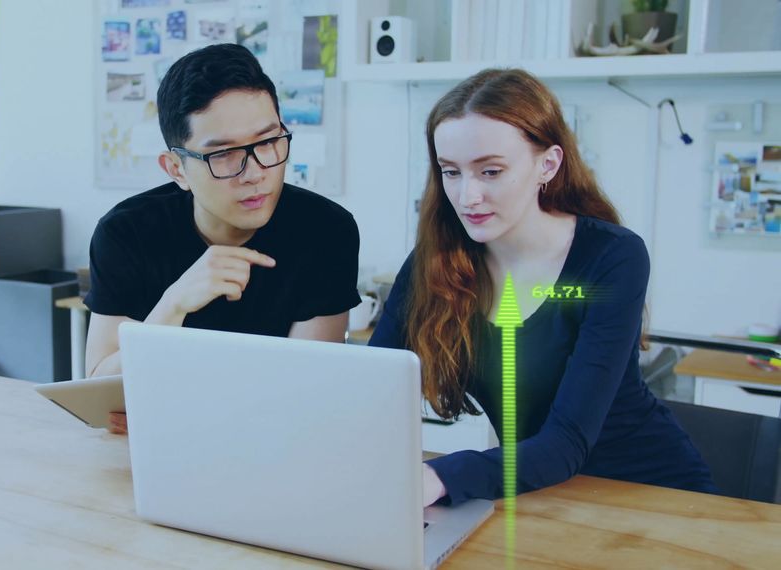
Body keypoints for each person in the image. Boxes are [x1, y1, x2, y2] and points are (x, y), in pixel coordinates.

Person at [369, 68, 716, 506]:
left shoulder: (612, 258)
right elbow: (372, 386)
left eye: (490, 171)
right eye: (450, 172)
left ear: (547, 164)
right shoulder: (435, 262)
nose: (467, 195)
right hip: (539, 492)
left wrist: (438, 475)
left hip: (651, 494)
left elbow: (567, 440)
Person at [85, 44, 360, 433]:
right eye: (224, 154)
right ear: (176, 169)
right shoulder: (126, 232)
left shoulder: (326, 231)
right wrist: (173, 304)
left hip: (274, 454)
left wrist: (170, 407)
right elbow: (101, 395)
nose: (255, 172)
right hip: (148, 461)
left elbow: (307, 397)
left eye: (268, 141)